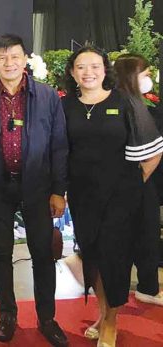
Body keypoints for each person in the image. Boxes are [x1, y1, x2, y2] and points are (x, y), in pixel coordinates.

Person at [0, 34, 68, 346]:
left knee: (42, 253)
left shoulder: (47, 97)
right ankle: (6, 315)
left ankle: (47, 318)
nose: (9, 63)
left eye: (15, 57)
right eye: (2, 58)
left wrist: (58, 190)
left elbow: (59, 147)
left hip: (37, 187)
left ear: (25, 59)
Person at [63, 46, 163, 347]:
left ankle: (111, 322)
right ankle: (103, 311)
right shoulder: (66, 107)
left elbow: (153, 152)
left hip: (121, 198)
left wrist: (131, 185)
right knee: (91, 256)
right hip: (82, 197)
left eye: (95, 65)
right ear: (72, 73)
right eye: (81, 66)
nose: (88, 72)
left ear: (105, 70)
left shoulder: (125, 103)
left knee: (113, 258)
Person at [113, 54, 163, 308]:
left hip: (144, 184)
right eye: (145, 75)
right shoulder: (122, 105)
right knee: (131, 237)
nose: (150, 79)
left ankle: (148, 286)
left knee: (148, 235)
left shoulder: (142, 105)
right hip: (130, 183)